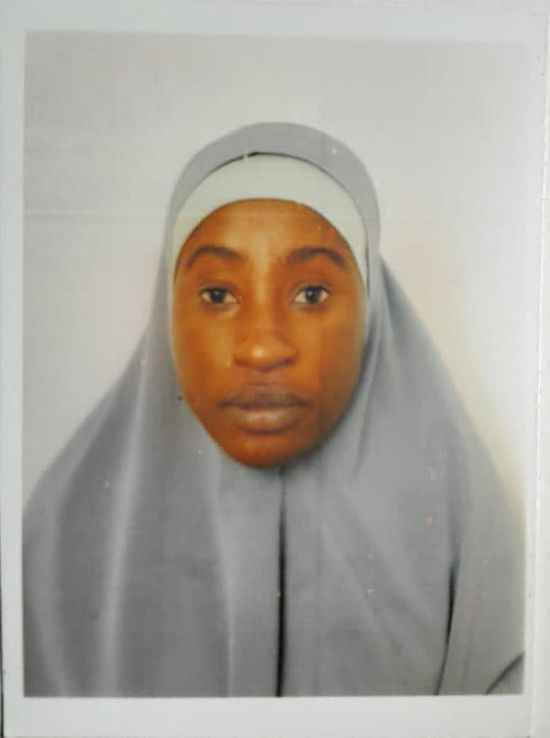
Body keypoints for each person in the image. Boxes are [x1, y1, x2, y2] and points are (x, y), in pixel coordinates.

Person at [24, 122, 524, 697]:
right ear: (168, 313)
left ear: (370, 312)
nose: (262, 348)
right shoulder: (57, 548)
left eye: (311, 294)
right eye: (218, 295)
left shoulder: (465, 542)